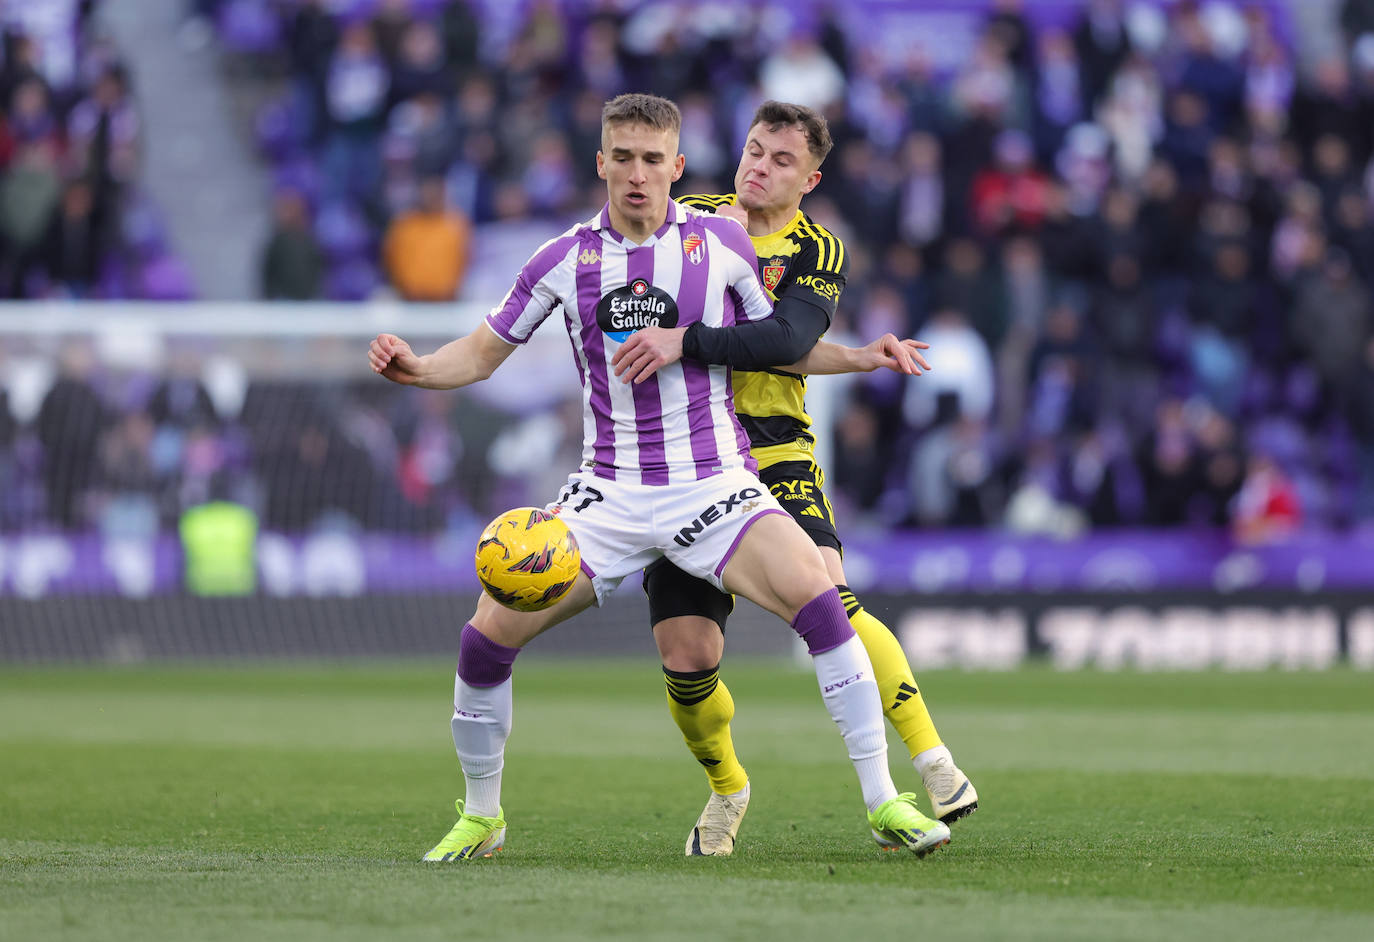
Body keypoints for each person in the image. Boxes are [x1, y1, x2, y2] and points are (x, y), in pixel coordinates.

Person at [368, 94, 949, 862]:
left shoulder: (722, 245)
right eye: (623, 157)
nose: (637, 175)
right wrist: (416, 370)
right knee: (486, 635)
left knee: (819, 597)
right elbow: (481, 352)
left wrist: (856, 356)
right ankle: (482, 815)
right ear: (600, 162)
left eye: (653, 160)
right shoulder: (562, 258)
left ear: (677, 168)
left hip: (712, 484)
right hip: (604, 496)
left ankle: (884, 801)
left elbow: (773, 344)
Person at [610, 101, 978, 857]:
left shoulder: (818, 250)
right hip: (685, 455)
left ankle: (932, 760)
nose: (759, 167)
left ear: (809, 179)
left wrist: (687, 341)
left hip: (773, 447)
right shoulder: (694, 217)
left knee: (829, 594)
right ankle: (726, 788)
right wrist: (858, 355)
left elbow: (784, 341)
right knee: (686, 655)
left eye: (780, 160)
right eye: (753, 150)